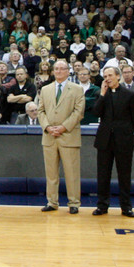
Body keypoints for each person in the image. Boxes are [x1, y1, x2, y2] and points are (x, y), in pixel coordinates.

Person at [92, 65, 134, 217]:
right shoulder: (102, 94)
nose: (107, 78)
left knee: (124, 175)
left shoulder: (129, 94)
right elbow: (95, 112)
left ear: (118, 77)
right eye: (105, 76)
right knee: (103, 174)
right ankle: (102, 206)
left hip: (123, 140)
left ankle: (126, 207)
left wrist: (125, 132)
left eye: (110, 75)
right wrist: (102, 94)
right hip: (104, 140)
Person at [36, 60, 85, 213]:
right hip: (49, 137)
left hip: (69, 136)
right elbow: (40, 111)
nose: (58, 71)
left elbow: (79, 112)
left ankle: (74, 203)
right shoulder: (45, 89)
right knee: (51, 173)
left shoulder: (77, 89)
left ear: (68, 71)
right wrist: (48, 127)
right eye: (56, 69)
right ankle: (52, 202)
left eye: (62, 69)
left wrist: (63, 127)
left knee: (72, 172)